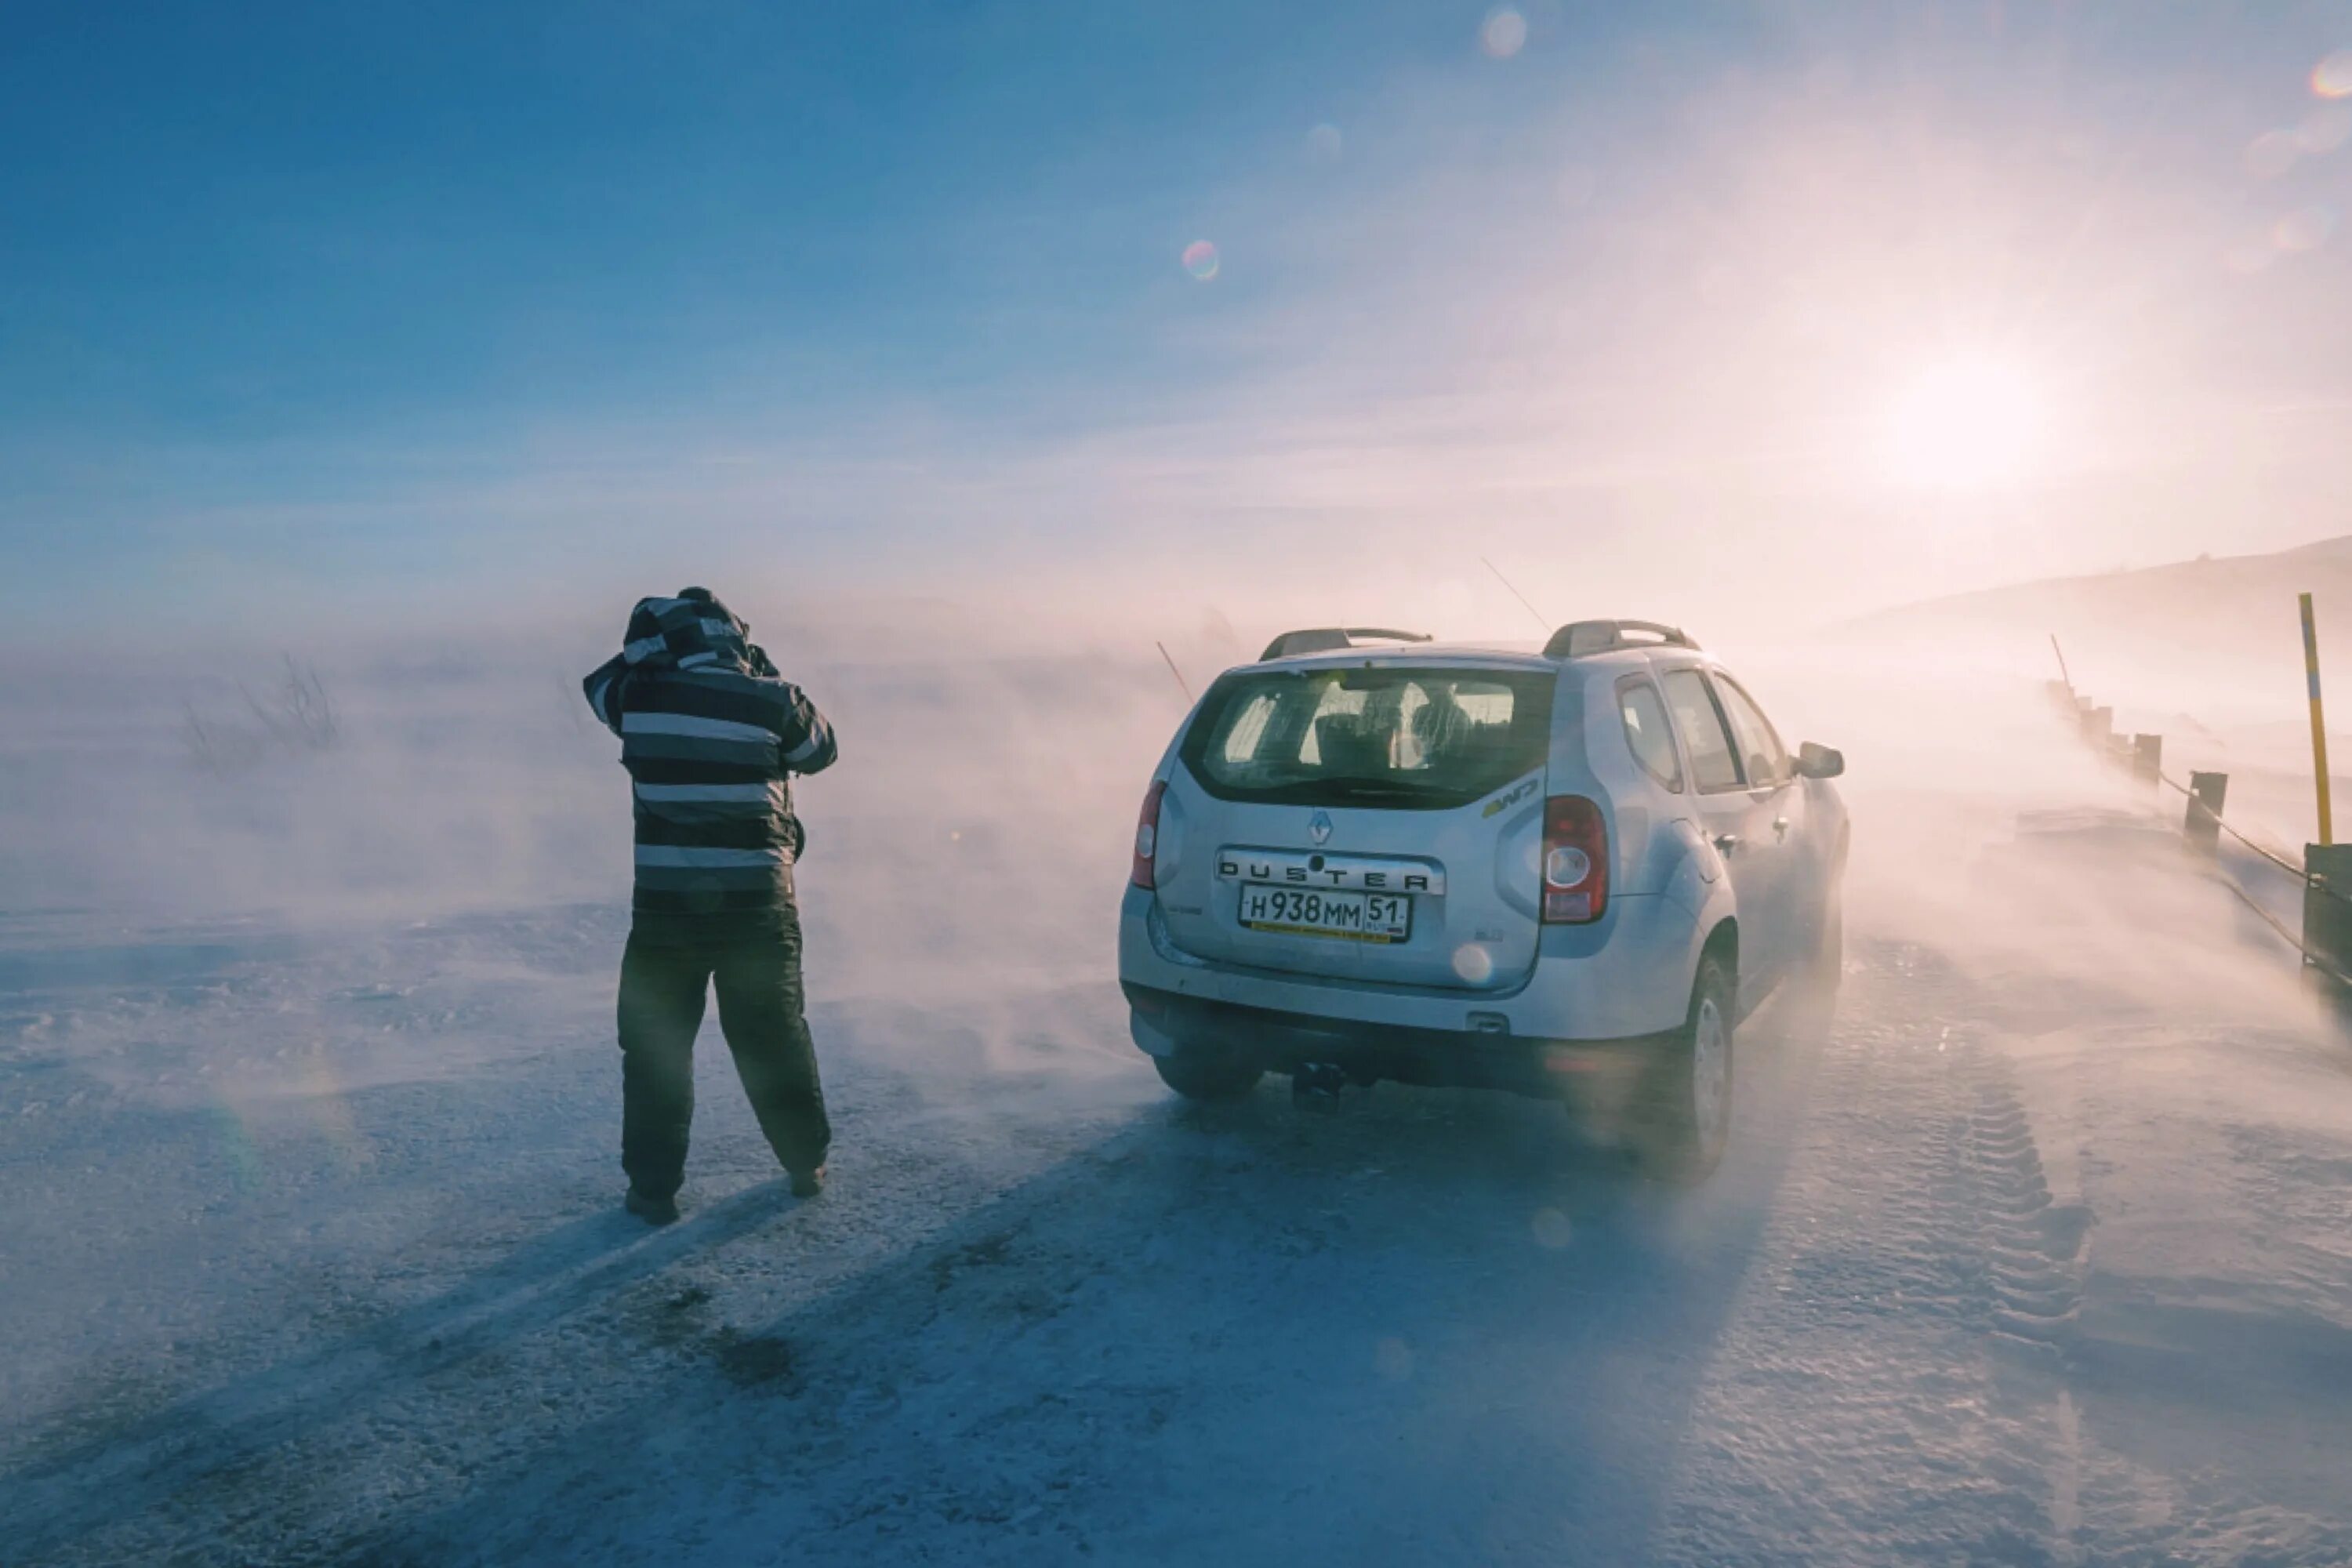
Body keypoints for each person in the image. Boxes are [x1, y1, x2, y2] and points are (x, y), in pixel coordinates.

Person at [582, 588, 839, 1223]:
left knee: (654, 1049)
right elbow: (820, 751)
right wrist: (757, 668)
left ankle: (652, 1191)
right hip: (759, 908)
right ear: (731, 637)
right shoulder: (771, 699)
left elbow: (599, 686)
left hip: (666, 916)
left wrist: (646, 657)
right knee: (773, 1036)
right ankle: (805, 1164)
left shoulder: (636, 698)